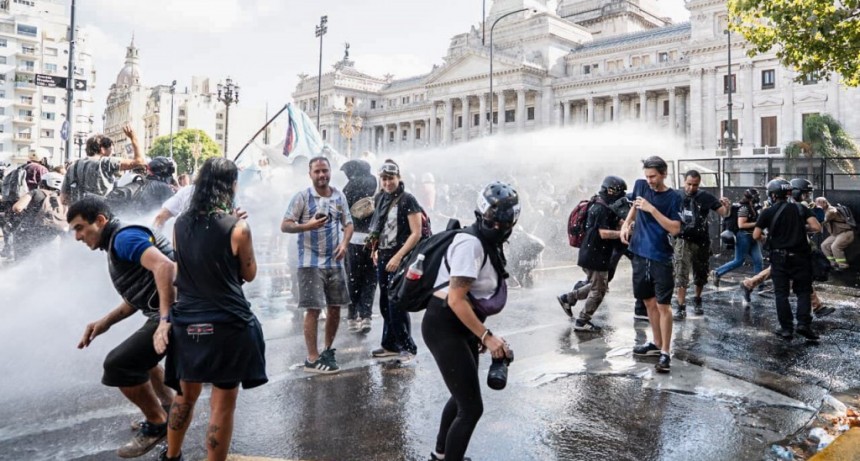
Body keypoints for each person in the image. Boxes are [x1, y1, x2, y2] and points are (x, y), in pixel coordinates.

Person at [157, 158, 266, 461]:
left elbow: (187, 267)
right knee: (222, 403)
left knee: (184, 396)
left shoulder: (179, 225)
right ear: (231, 186)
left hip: (188, 321)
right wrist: (235, 223)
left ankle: (172, 456)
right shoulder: (238, 228)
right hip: (227, 324)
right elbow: (249, 273)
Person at [68, 197, 176, 458]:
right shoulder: (117, 239)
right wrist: (104, 322)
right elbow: (137, 293)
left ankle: (157, 424)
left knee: (119, 364)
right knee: (142, 358)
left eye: (80, 228)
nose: (78, 237)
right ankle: (169, 409)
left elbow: (165, 266)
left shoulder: (123, 238)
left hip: (182, 312)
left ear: (101, 221)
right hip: (176, 310)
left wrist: (165, 320)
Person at [423, 181, 517, 461]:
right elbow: (455, 299)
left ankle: (441, 454)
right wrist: (486, 336)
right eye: (494, 221)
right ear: (482, 215)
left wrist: (476, 333)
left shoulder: (487, 241)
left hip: (459, 325)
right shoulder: (471, 244)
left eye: (504, 222)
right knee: (471, 408)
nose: (499, 227)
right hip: (445, 325)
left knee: (461, 395)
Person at [281, 156, 353, 374]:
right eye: (317, 171)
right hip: (309, 263)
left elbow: (348, 223)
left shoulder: (339, 196)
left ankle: (327, 350)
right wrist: (307, 225)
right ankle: (312, 358)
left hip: (335, 261)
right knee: (313, 309)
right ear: (310, 174)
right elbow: (285, 225)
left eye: (325, 170)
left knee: (335, 307)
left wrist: (344, 243)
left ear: (330, 172)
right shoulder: (302, 197)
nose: (322, 175)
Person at [621, 156, 682, 373]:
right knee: (648, 302)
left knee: (663, 305)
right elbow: (635, 207)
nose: (649, 180)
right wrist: (626, 224)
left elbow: (675, 228)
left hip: (661, 257)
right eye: (647, 176)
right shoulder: (640, 185)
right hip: (639, 253)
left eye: (653, 176)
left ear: (664, 174)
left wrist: (652, 209)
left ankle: (666, 352)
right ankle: (656, 344)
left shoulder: (674, 197)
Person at [367, 160, 423, 361]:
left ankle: (407, 346)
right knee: (384, 301)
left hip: (400, 256)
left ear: (399, 178)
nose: (388, 182)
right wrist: (375, 249)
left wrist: (398, 257)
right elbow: (379, 226)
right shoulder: (381, 197)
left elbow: (415, 233)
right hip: (383, 254)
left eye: (391, 178)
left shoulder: (408, 200)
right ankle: (390, 344)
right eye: (384, 178)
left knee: (396, 301)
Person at [753, 179, 821, 340]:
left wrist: (767, 238)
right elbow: (817, 227)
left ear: (773, 195)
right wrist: (800, 227)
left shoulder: (767, 212)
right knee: (803, 291)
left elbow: (756, 235)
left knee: (781, 294)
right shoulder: (800, 208)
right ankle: (804, 324)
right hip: (801, 258)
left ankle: (786, 329)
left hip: (779, 258)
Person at [556, 176, 627, 331]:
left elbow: (611, 222)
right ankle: (582, 321)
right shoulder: (600, 208)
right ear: (610, 190)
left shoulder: (601, 203)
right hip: (595, 255)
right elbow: (603, 233)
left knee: (597, 286)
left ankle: (567, 298)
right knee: (599, 290)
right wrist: (622, 233)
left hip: (592, 253)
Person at [672, 171, 731, 319]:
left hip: (701, 240)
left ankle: (697, 300)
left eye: (695, 185)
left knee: (701, 271)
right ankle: (680, 306)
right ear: (684, 182)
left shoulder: (705, 197)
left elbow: (723, 213)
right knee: (681, 271)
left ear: (699, 184)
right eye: (689, 184)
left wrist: (727, 206)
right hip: (682, 238)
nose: (691, 188)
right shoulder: (676, 195)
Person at [61, 125, 146, 205]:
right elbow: (140, 162)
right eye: (111, 149)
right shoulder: (106, 162)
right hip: (100, 214)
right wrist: (133, 137)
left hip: (76, 216)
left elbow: (63, 199)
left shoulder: (72, 166)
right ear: (102, 149)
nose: (113, 152)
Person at [340, 159, 378, 334]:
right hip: (372, 240)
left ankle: (352, 315)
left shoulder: (349, 187)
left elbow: (343, 213)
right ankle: (366, 316)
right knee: (370, 279)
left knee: (353, 279)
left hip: (353, 239)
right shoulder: (374, 182)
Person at [712, 188, 762, 286]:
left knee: (758, 260)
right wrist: (758, 223)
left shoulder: (753, 207)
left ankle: (759, 284)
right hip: (743, 236)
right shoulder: (744, 208)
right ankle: (717, 272)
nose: (757, 199)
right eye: (756, 197)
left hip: (752, 237)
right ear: (751, 198)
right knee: (739, 261)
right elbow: (741, 225)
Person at [10, 172, 66, 259]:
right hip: (53, 235)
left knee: (23, 262)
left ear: (43, 183)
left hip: (29, 233)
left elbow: (17, 207)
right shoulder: (64, 198)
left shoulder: (36, 192)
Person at [815, 197, 854, 271]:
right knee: (824, 245)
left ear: (825, 203)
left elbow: (823, 220)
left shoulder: (832, 211)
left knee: (835, 246)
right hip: (836, 234)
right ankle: (833, 263)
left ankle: (843, 265)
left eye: (820, 202)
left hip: (846, 232)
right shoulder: (823, 210)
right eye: (816, 202)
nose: (817, 204)